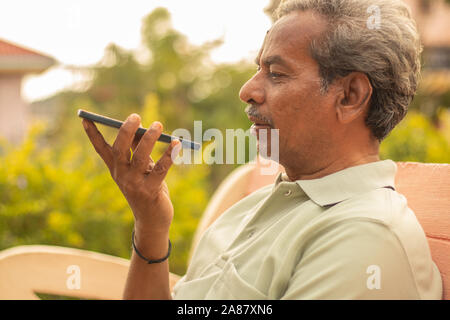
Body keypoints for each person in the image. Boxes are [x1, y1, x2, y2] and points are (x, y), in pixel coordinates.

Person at [82, 0, 443, 299]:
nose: (247, 90)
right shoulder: (258, 205)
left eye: (276, 73)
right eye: (258, 69)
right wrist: (150, 224)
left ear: (350, 96)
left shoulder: (365, 238)